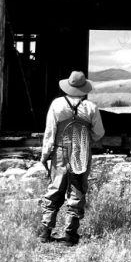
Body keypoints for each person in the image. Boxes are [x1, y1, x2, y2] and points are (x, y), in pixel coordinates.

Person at [37, 70, 105, 246]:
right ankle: (70, 235)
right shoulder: (91, 107)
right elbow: (99, 133)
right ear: (84, 88)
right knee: (77, 190)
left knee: (55, 189)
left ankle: (46, 231)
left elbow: (50, 132)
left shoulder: (57, 105)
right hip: (81, 152)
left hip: (60, 151)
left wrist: (45, 155)